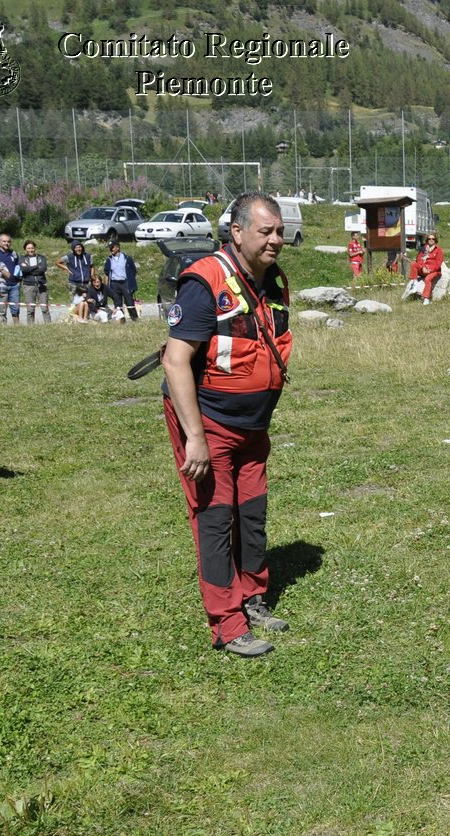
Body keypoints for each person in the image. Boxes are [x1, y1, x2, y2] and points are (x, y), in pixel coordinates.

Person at [161, 192, 294, 657]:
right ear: (236, 232)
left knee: (252, 513)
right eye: (266, 231)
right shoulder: (205, 282)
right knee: (216, 520)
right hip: (209, 424)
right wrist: (194, 438)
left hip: (252, 427)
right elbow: (176, 361)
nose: (277, 239)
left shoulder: (272, 280)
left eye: (279, 231)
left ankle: (252, 597)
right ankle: (226, 622)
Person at [103, 240, 138, 321]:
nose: (111, 250)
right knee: (117, 303)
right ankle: (121, 320)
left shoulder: (127, 258)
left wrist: (131, 282)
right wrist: (107, 286)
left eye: (112, 248)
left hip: (125, 282)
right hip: (114, 283)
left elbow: (133, 270)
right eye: (110, 248)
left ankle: (135, 318)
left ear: (117, 247)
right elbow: (107, 273)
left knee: (129, 301)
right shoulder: (109, 260)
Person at [17, 240, 51, 324]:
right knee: (30, 309)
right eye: (28, 248)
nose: (30, 250)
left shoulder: (41, 258)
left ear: (34, 248)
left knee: (44, 308)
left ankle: (48, 325)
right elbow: (23, 269)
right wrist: (36, 267)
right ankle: (30, 327)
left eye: (32, 248)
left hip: (41, 285)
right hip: (28, 285)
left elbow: (43, 269)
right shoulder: (22, 258)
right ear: (25, 249)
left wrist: (30, 269)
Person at [410, 233, 444, 303]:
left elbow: (438, 263)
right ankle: (415, 283)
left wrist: (429, 270)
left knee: (427, 279)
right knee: (413, 264)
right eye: (429, 239)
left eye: (433, 239)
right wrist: (423, 267)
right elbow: (419, 259)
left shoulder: (438, 250)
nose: (431, 240)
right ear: (427, 240)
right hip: (424, 269)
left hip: (434, 271)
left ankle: (426, 298)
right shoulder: (423, 248)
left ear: (435, 240)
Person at [0, 232, 21, 323]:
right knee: (2, 309)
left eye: (8, 241)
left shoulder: (14, 253)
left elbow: (19, 267)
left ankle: (17, 326)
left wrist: (19, 280)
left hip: (14, 285)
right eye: (4, 241)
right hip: (1, 285)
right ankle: (3, 327)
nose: (7, 243)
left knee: (15, 309)